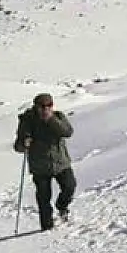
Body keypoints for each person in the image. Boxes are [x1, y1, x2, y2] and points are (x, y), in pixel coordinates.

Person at [13, 93, 76, 231]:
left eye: (49, 106)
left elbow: (67, 132)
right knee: (43, 198)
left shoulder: (58, 117)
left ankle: (62, 206)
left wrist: (51, 120)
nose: (46, 109)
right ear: (36, 107)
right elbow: (18, 146)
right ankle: (46, 228)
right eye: (42, 107)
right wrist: (24, 143)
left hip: (60, 162)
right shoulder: (27, 122)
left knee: (70, 186)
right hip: (40, 166)